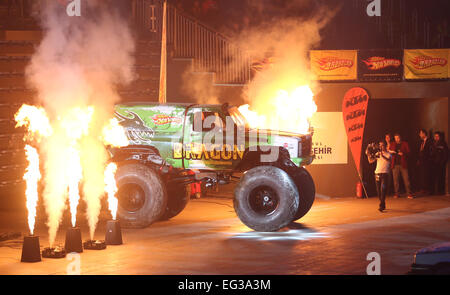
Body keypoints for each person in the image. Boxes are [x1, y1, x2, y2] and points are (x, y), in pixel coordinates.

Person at [366, 141, 392, 212]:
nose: (381, 147)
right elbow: (371, 161)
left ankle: (381, 205)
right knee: (378, 191)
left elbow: (388, 160)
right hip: (377, 173)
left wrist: (382, 155)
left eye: (382, 145)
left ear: (385, 146)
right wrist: (368, 155)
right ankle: (382, 203)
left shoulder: (388, 154)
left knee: (382, 189)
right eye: (380, 145)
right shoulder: (377, 154)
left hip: (385, 174)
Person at [390, 133, 414, 199]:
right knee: (395, 180)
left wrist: (403, 153)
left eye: (398, 138)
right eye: (395, 138)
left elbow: (409, 153)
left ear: (400, 138)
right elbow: (389, 151)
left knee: (406, 179)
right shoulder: (392, 144)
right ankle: (397, 193)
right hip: (394, 165)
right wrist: (391, 152)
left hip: (403, 164)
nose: (397, 139)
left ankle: (409, 194)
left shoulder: (405, 143)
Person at [417, 129, 433, 195]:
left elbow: (430, 151)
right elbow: (421, 151)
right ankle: (423, 189)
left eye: (420, 133)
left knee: (427, 175)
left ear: (424, 134)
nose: (419, 135)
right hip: (422, 161)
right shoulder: (422, 142)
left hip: (427, 161)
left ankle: (428, 190)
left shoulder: (429, 141)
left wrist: (429, 159)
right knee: (422, 175)